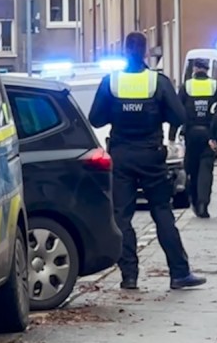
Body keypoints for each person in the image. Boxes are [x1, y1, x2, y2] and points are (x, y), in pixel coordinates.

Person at [88, 32, 207, 290]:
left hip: (121, 154)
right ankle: (179, 273)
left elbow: (95, 119)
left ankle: (128, 276)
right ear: (146, 53)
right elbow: (179, 116)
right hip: (151, 154)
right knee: (162, 211)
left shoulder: (112, 82)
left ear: (123, 51)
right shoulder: (158, 82)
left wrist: (117, 112)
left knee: (122, 216)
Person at [177, 60, 217, 218]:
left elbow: (178, 111)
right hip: (209, 133)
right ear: (207, 70)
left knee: (193, 169)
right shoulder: (215, 87)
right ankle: (204, 204)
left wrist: (172, 136)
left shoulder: (186, 87)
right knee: (206, 169)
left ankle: (195, 201)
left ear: (195, 69)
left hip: (191, 133)